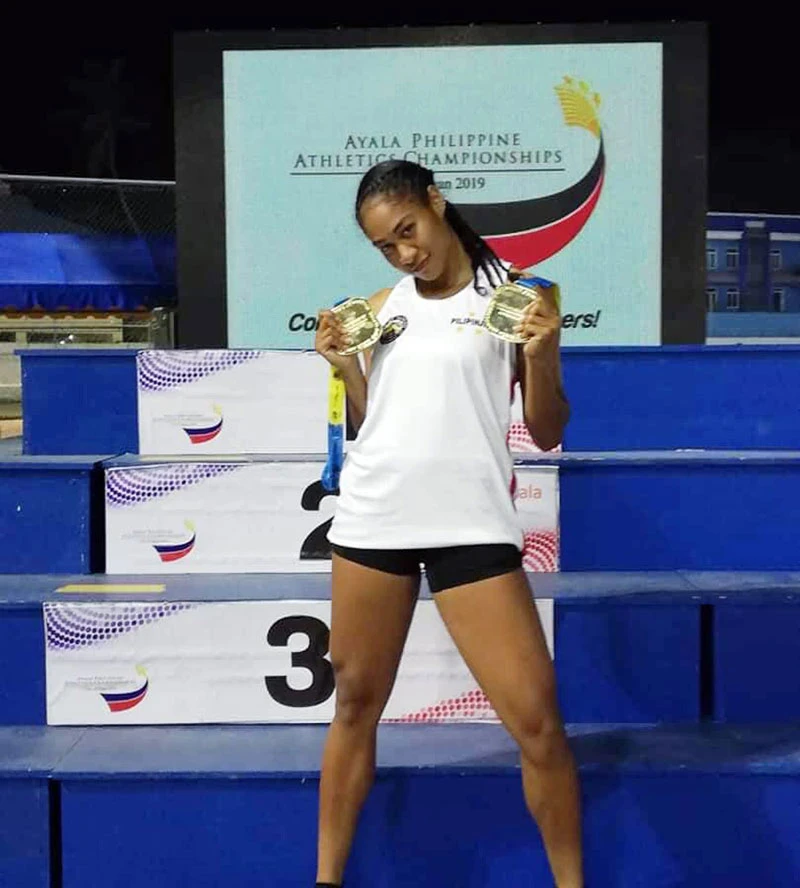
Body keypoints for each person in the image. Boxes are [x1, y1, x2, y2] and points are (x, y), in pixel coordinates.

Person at [313, 159, 582, 888]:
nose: (404, 253)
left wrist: (542, 354)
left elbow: (548, 430)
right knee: (354, 704)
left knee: (538, 722)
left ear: (436, 202)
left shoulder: (519, 298)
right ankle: (326, 879)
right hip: (374, 522)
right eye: (386, 246)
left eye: (408, 231)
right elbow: (370, 421)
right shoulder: (379, 309)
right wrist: (345, 368)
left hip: (471, 523)